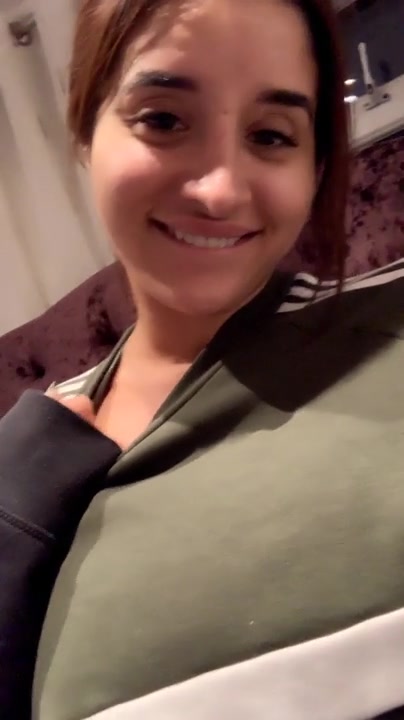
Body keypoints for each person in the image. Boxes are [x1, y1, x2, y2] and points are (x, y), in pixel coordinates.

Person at [0, 0, 403, 718]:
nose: (219, 191)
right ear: (84, 131)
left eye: (271, 135)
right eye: (163, 120)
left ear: (315, 167)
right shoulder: (33, 451)